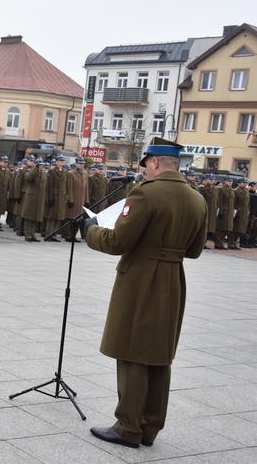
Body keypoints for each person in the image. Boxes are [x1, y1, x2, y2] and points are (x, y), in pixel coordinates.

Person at [85, 137, 207, 449]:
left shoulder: (145, 193)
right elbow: (194, 251)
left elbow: (117, 243)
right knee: (158, 354)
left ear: (153, 163)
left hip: (141, 279)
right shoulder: (197, 199)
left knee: (132, 351)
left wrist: (92, 232)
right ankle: (150, 427)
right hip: (173, 278)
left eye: (147, 165)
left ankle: (128, 427)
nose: (146, 171)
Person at [21, 158, 48, 242]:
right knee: (29, 217)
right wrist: (35, 169)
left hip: (40, 198)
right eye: (39, 165)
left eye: (41, 165)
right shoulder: (30, 171)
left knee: (36, 217)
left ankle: (33, 235)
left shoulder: (43, 173)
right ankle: (28, 235)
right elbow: (28, 178)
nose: (40, 166)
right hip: (32, 198)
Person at [45, 155, 68, 242]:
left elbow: (66, 185)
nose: (62, 162)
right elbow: (49, 186)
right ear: (57, 162)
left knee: (59, 217)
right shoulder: (52, 171)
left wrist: (66, 196)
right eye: (60, 161)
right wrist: (50, 198)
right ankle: (49, 234)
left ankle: (54, 235)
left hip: (62, 197)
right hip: (54, 196)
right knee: (51, 217)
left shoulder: (65, 172)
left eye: (63, 161)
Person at [64, 158, 88, 242]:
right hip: (74, 199)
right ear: (76, 164)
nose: (81, 165)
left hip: (81, 200)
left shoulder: (85, 174)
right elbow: (69, 187)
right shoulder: (71, 174)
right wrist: (70, 199)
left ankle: (73, 235)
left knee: (79, 219)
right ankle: (68, 235)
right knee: (70, 218)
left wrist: (86, 200)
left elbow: (86, 189)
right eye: (80, 163)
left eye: (83, 163)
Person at [214, 177, 235, 250]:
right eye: (229, 181)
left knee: (226, 229)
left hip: (230, 212)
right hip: (224, 211)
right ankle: (218, 243)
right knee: (220, 228)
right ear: (225, 182)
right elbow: (219, 200)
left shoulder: (232, 190)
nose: (230, 183)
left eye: (231, 181)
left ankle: (221, 243)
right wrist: (220, 211)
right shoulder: (222, 189)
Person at [234, 177, 250, 249]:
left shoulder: (246, 192)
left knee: (241, 229)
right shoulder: (236, 191)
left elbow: (248, 203)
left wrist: (248, 211)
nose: (245, 184)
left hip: (244, 213)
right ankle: (232, 242)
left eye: (246, 183)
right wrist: (234, 212)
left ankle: (235, 242)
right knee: (235, 228)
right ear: (239, 183)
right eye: (244, 183)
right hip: (238, 212)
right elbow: (234, 202)